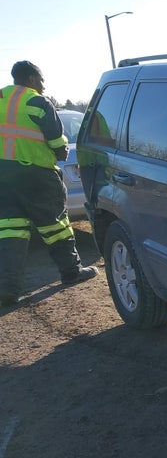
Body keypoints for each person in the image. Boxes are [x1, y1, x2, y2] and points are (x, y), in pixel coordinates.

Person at [0, 60, 98, 307]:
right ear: (32, 79)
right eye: (41, 79)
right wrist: (60, 153)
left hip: (3, 177)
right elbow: (57, 143)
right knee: (56, 225)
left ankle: (7, 290)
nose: (43, 85)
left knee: (11, 231)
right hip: (37, 174)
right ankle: (71, 271)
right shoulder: (38, 102)